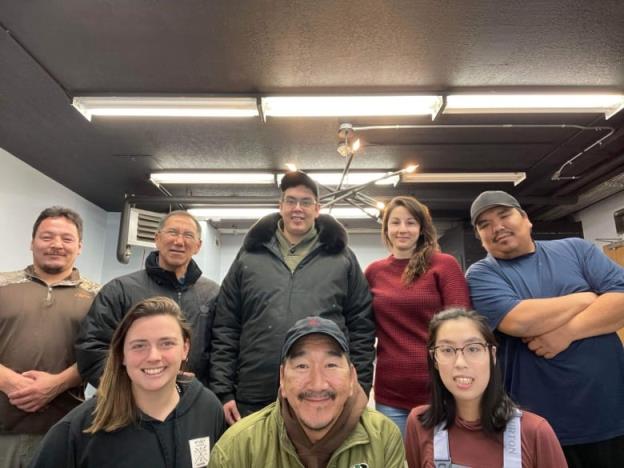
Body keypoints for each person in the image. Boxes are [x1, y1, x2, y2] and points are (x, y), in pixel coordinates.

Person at [465, 190, 624, 467]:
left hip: (610, 413)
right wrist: (587, 298)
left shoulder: (577, 249)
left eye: (504, 215)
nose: (497, 227)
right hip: (537, 425)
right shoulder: (481, 274)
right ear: (479, 237)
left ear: (526, 219)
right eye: (485, 224)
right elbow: (518, 321)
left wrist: (567, 332)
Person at [210, 171, 375, 424]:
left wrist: (360, 384)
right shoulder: (249, 257)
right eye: (291, 200)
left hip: (321, 392)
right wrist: (222, 390)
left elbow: (361, 327)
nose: (298, 208)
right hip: (254, 394)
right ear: (280, 206)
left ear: (317, 209)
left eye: (306, 202)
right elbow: (226, 326)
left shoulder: (342, 259)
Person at [30, 296, 226, 468]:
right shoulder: (79, 429)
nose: (153, 356)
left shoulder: (207, 409)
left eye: (167, 343)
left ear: (185, 348)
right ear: (121, 354)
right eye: (139, 345)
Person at [209, 316, 406, 467]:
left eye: (331, 365)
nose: (317, 384)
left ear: (353, 378)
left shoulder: (383, 438)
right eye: (302, 366)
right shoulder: (238, 447)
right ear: (282, 380)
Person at [405, 308, 567, 467]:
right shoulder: (419, 424)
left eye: (473, 349)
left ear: (492, 355)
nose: (460, 362)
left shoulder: (535, 432)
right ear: (434, 359)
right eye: (447, 350)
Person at [0, 206, 98, 468]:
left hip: (62, 430)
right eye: (47, 237)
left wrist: (56, 384)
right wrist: (7, 380)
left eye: (67, 239)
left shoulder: (99, 297)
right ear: (32, 242)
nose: (56, 245)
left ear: (79, 247)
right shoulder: (2, 285)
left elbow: (104, 355)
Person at [76, 210, 219, 387]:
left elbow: (223, 350)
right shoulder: (119, 290)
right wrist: (135, 386)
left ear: (198, 246)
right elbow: (92, 350)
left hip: (194, 401)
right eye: (172, 232)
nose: (179, 241)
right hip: (131, 404)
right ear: (157, 238)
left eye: (188, 235)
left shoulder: (212, 294)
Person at [365, 196, 470, 435]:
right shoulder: (373, 272)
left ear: (421, 228)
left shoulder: (443, 265)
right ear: (386, 228)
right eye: (396, 223)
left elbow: (462, 326)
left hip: (441, 391)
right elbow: (362, 329)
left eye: (410, 222)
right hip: (390, 394)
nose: (403, 229)